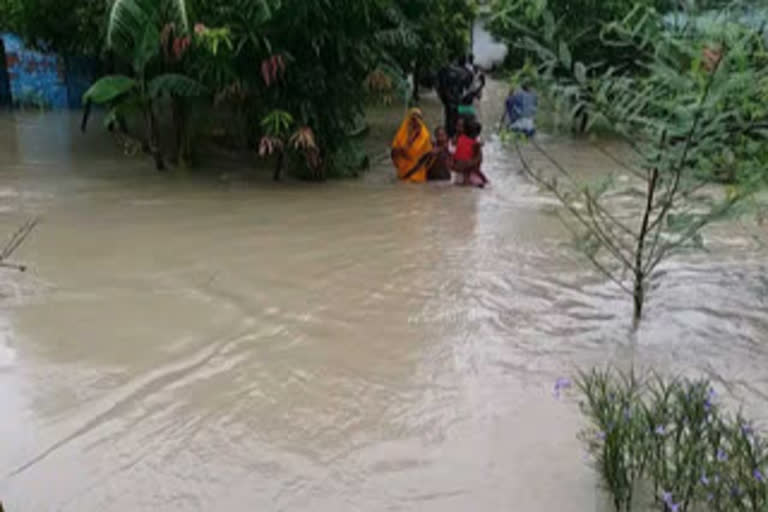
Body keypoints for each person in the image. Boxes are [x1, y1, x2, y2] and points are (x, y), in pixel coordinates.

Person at [391, 108, 433, 183]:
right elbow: (394, 152)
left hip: (417, 175)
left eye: (417, 118)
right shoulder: (402, 133)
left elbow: (425, 156)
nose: (414, 121)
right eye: (412, 118)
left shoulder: (424, 136)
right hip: (402, 173)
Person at [437, 57, 473, 138]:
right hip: (459, 101)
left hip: (448, 100)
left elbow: (439, 86)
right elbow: (469, 91)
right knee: (460, 121)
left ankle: (448, 137)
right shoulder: (468, 72)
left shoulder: (445, 70)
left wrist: (444, 99)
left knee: (448, 120)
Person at [453, 117, 489, 188]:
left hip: (466, 174)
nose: (459, 129)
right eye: (458, 126)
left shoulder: (470, 142)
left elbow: (478, 162)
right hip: (465, 175)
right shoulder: (473, 143)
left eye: (461, 126)